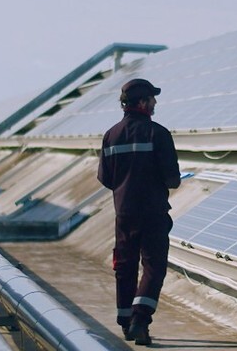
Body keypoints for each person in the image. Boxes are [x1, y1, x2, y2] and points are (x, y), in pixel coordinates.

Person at [97, 78, 181, 345]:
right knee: (154, 267)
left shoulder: (110, 135)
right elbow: (172, 179)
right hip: (154, 212)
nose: (155, 103)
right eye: (152, 99)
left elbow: (106, 178)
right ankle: (140, 320)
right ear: (143, 103)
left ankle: (125, 321)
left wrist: (126, 187)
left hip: (124, 213)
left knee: (124, 266)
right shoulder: (159, 134)